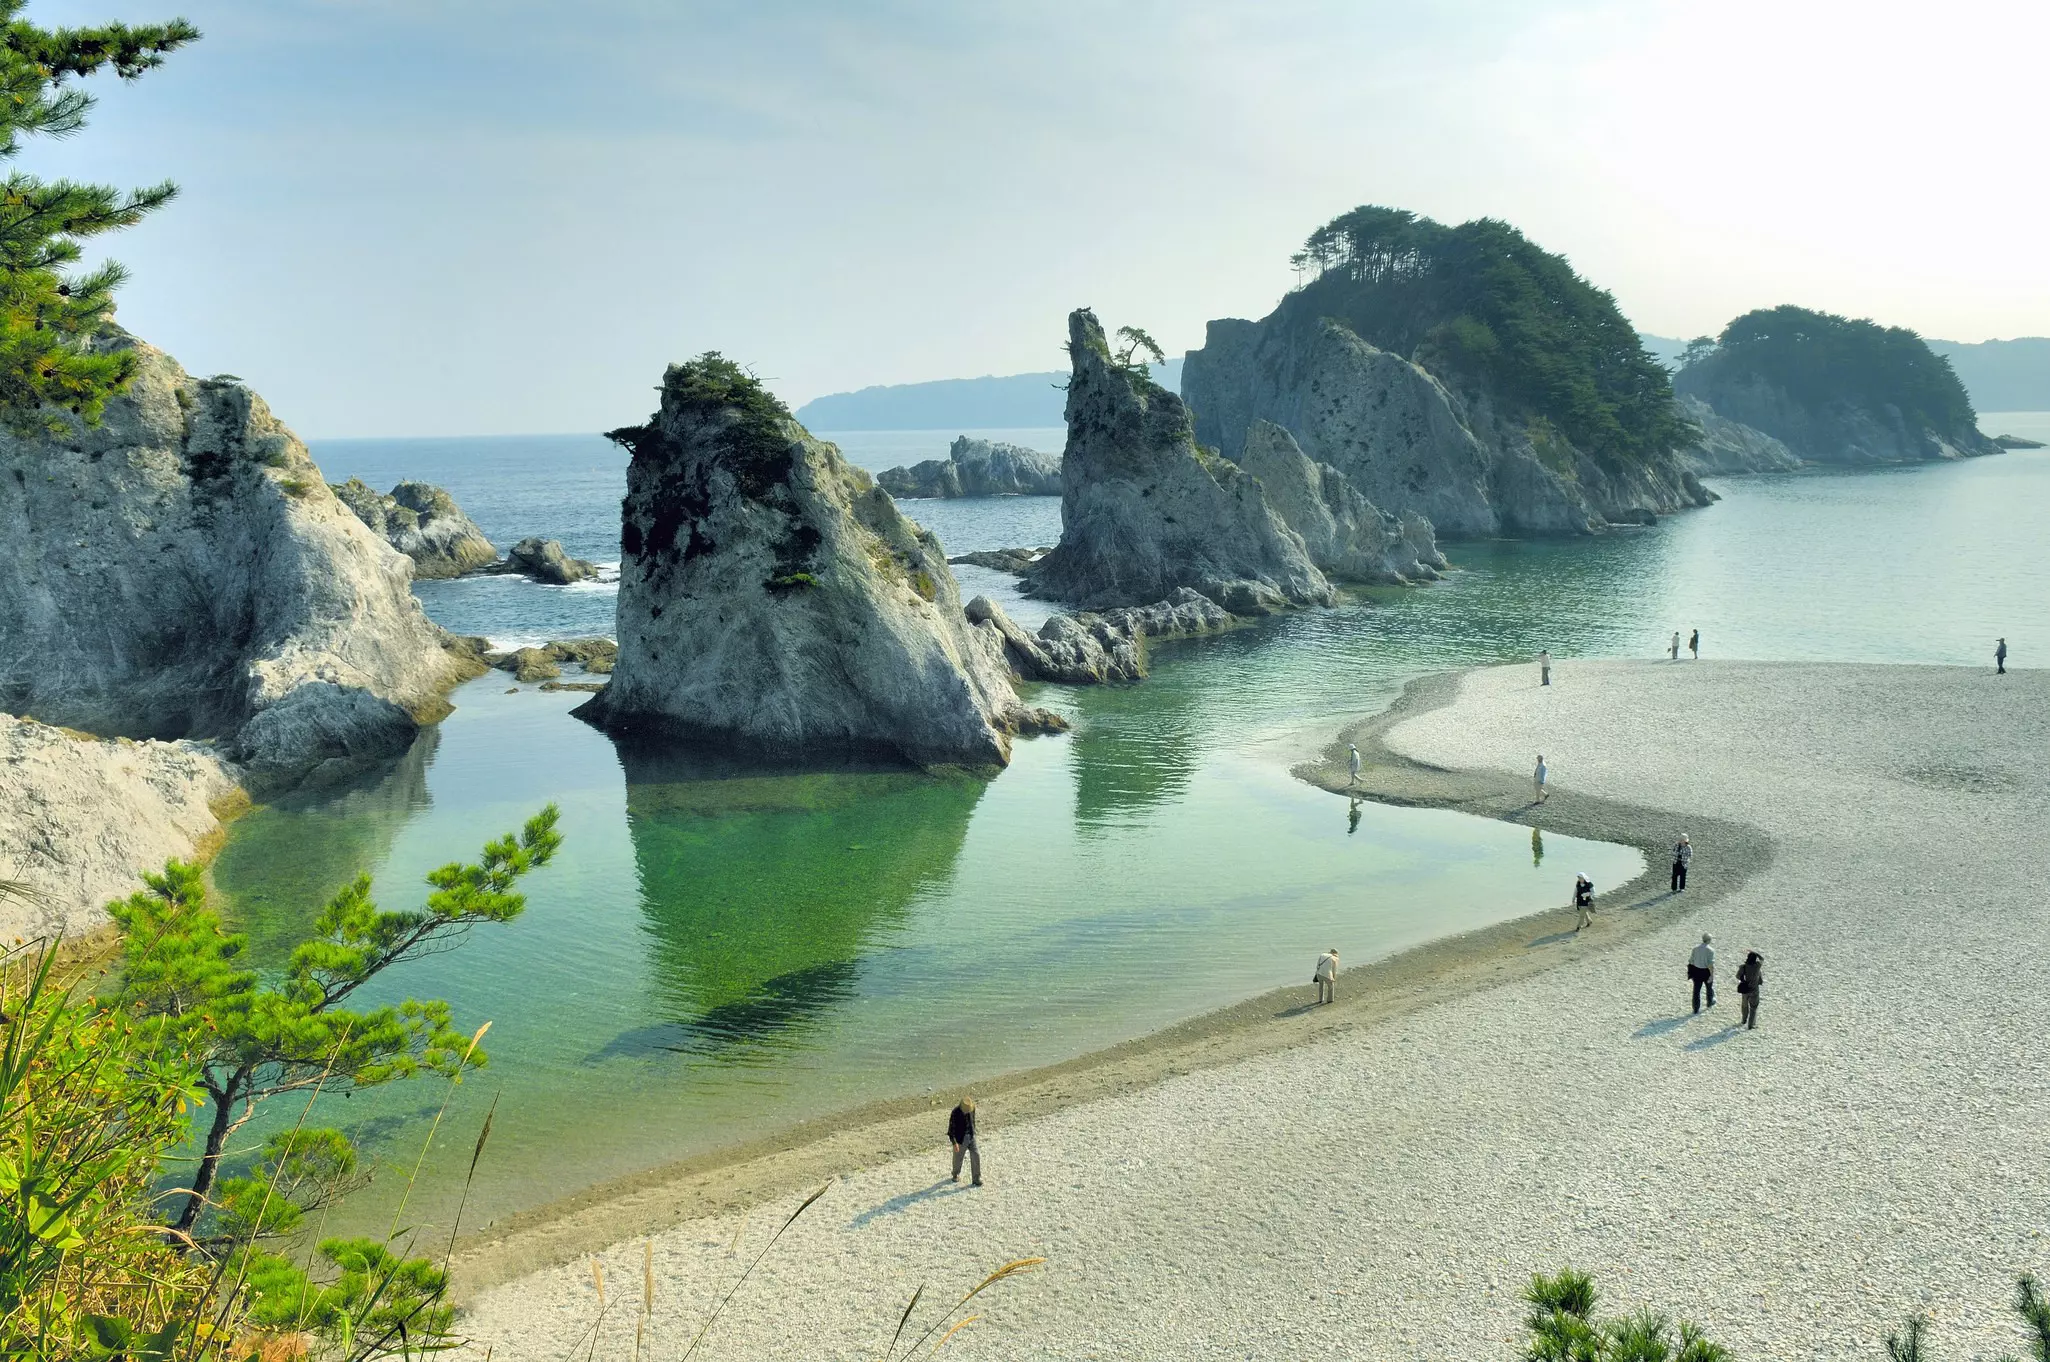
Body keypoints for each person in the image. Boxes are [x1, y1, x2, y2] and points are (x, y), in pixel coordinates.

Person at [947, 1097, 982, 1186]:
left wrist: (973, 1131)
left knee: (976, 1155)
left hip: (971, 1135)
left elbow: (973, 1120)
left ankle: (976, 1178)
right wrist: (954, 1143)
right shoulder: (955, 1112)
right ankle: (955, 1174)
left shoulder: (972, 1108)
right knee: (958, 1158)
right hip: (960, 1138)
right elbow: (951, 1130)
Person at [1687, 933, 1716, 1013]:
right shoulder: (1711, 950)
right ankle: (1709, 1002)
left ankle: (1696, 1008)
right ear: (1709, 940)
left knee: (1696, 990)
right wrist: (1712, 975)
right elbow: (1710, 964)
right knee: (1709, 988)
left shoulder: (1695, 949)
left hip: (1696, 971)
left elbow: (1691, 961)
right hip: (1706, 971)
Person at [1736, 951, 1763, 1030]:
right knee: (1753, 1007)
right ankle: (1751, 1025)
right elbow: (1762, 959)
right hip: (1754, 990)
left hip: (1745, 989)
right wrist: (1756, 953)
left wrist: (1743, 979)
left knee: (1744, 1006)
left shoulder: (1743, 967)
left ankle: (1744, 1020)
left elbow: (1737, 976)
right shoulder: (1757, 966)